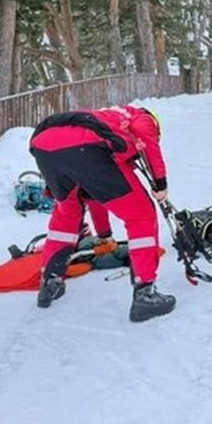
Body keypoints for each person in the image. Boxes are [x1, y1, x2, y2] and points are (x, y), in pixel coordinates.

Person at [29, 104, 176, 322]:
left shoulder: (109, 118)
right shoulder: (142, 117)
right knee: (141, 214)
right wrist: (160, 184)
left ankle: (50, 283)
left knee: (67, 214)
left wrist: (105, 234)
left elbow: (96, 193)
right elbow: (147, 141)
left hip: (43, 143)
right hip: (87, 147)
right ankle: (145, 293)